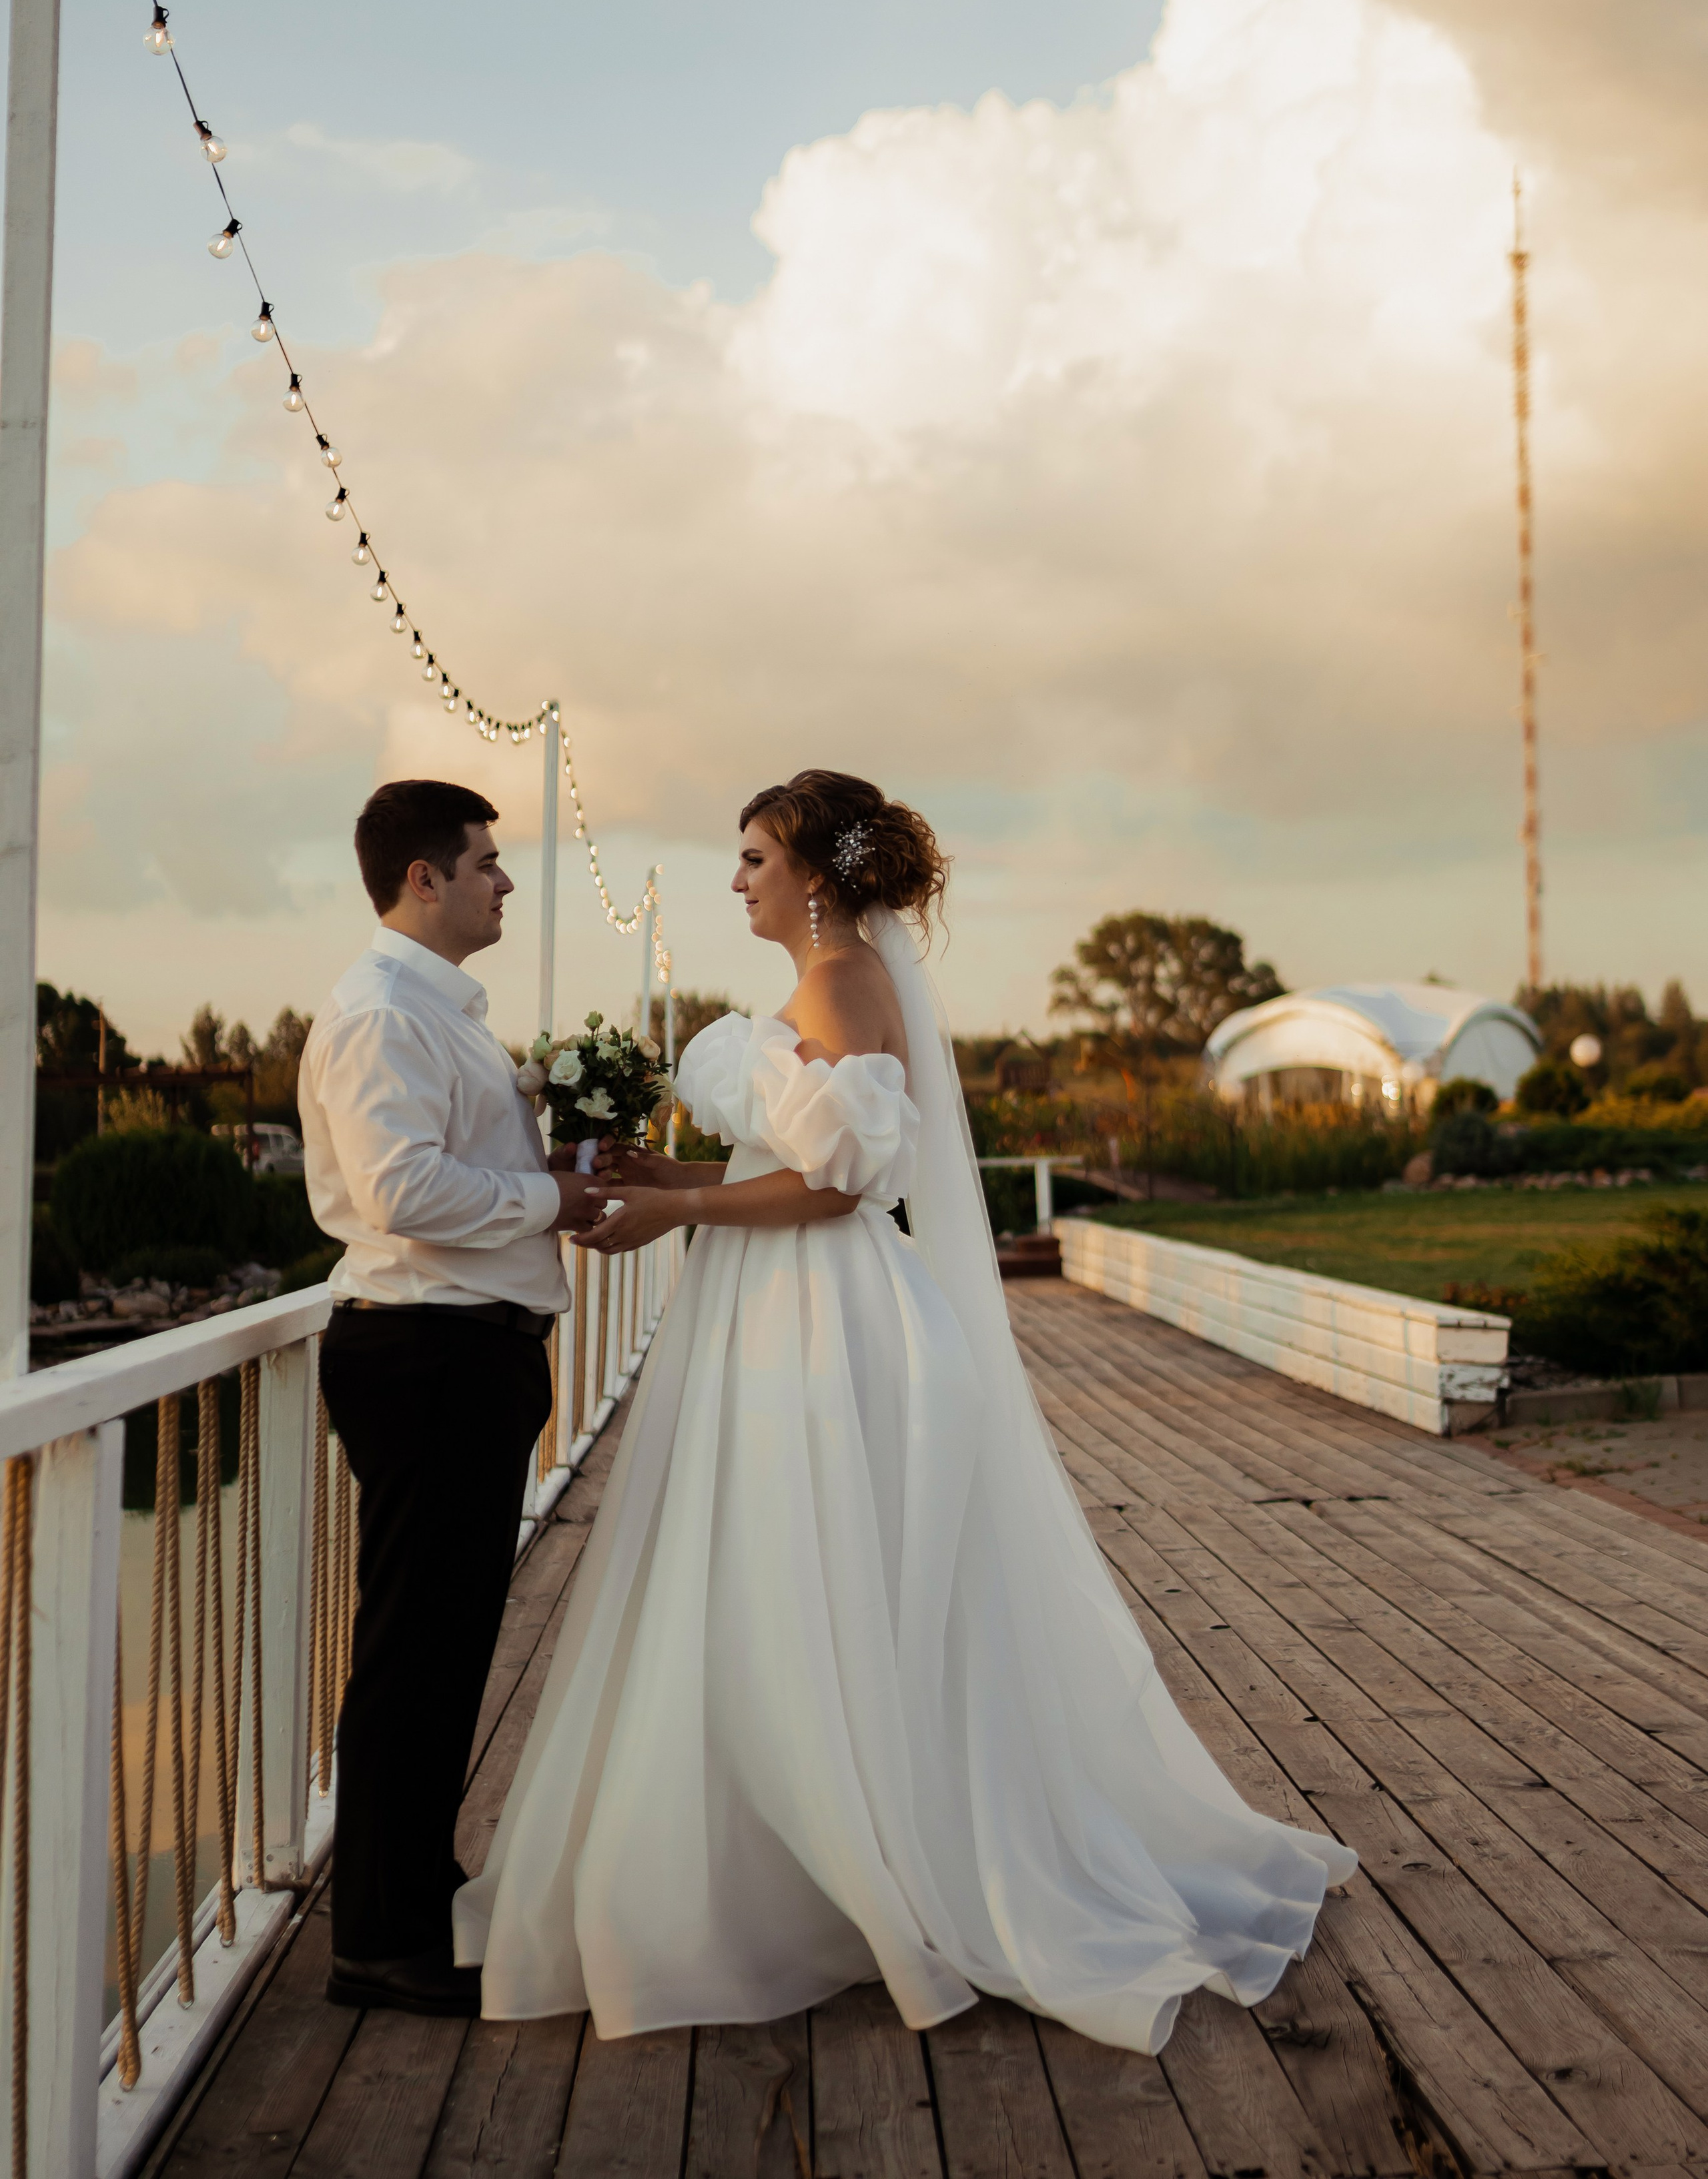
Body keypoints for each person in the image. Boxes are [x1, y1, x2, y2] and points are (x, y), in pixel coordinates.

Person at [454, 769, 1354, 2052]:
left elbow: (836, 1190)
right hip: (783, 1301)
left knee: (801, 1573)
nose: (738, 880)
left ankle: (848, 1865)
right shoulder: (839, 988)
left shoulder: (839, 987)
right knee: (797, 1575)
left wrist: (681, 1211)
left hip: (815, 1313)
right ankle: (815, 1850)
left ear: (816, 874)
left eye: (754, 857)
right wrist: (681, 1171)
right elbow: (802, 1159)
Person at [301, 779, 600, 2016]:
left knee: (444, 1643)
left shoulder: (443, 1013)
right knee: (415, 1652)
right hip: (425, 1356)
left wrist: (557, 1144)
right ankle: (378, 1938)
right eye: (486, 862)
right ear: (424, 877)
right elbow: (402, 1193)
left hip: (465, 1354)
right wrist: (553, 1204)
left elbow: (458, 1158)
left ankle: (416, 1886)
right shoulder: (381, 1014)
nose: (504, 881)